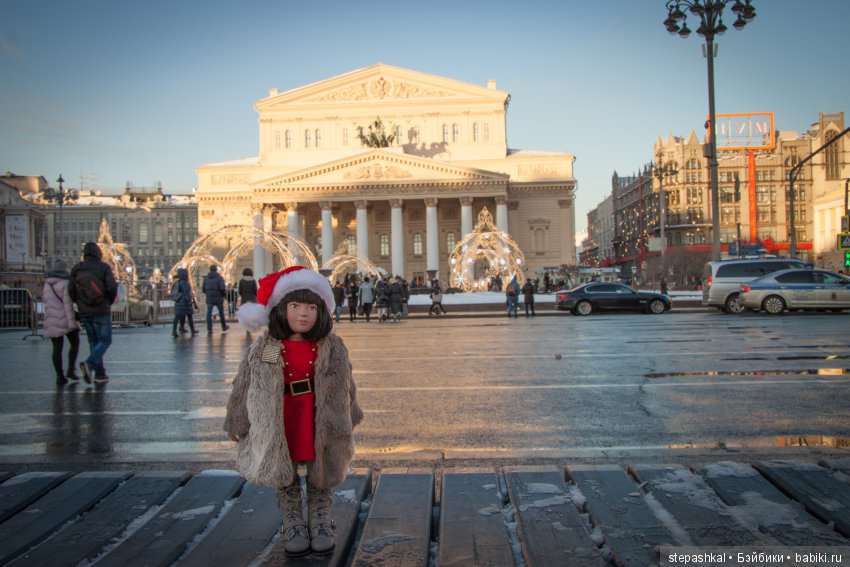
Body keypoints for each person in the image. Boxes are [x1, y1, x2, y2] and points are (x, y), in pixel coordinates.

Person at [225, 266, 363, 557]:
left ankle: (321, 516)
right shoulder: (271, 347)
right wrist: (237, 417)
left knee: (321, 467)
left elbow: (345, 383)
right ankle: (293, 518)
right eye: (295, 306)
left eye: (311, 307)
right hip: (282, 415)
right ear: (280, 309)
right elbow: (248, 381)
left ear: (321, 311)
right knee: (284, 465)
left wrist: (351, 412)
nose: (303, 314)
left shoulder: (330, 346)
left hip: (317, 415)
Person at [68, 242, 118, 384]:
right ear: (98, 253)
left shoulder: (77, 268)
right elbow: (112, 286)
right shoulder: (103, 267)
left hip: (85, 312)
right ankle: (90, 364)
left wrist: (80, 303)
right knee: (105, 340)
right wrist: (107, 301)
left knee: (93, 341)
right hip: (101, 310)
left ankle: (100, 374)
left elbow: (71, 290)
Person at [43, 258, 80, 385]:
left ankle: (59, 376)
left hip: (52, 319)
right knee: (75, 343)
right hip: (65, 317)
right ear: (64, 269)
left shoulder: (47, 284)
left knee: (57, 348)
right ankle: (71, 369)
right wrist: (73, 322)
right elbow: (67, 304)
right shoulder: (65, 283)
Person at [171, 268, 198, 337]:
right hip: (185, 302)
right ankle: (193, 330)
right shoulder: (185, 283)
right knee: (189, 316)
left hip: (178, 302)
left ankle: (174, 331)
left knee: (177, 317)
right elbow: (186, 293)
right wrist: (190, 301)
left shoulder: (177, 282)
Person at [203, 265, 229, 334]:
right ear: (216, 269)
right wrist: (223, 295)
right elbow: (222, 288)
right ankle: (224, 327)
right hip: (218, 297)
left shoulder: (206, 278)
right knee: (221, 313)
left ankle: (209, 328)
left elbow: (203, 288)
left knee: (209, 313)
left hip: (209, 298)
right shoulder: (219, 278)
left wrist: (207, 294)